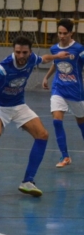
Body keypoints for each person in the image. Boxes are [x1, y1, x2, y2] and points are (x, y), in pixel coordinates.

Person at [0, 36, 69, 197]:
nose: (21, 56)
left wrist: (57, 57)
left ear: (29, 52)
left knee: (43, 135)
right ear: (13, 51)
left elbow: (44, 59)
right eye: (17, 52)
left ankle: (28, 181)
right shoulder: (4, 66)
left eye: (24, 52)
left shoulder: (32, 59)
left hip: (18, 104)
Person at [42, 18, 84, 168]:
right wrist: (46, 77)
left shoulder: (79, 49)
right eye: (59, 33)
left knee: (81, 124)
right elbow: (55, 63)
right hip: (58, 88)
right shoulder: (54, 49)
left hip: (75, 91)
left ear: (71, 33)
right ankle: (65, 156)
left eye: (65, 33)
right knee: (57, 121)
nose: (61, 36)